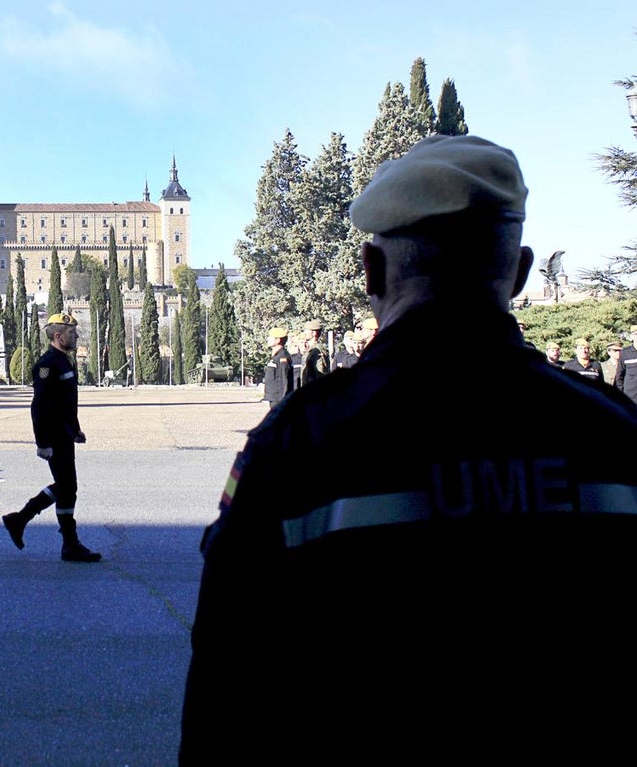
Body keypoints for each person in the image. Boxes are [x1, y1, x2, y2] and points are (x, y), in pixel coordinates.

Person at [179, 135, 637, 764]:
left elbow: (227, 697)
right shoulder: (616, 435)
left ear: (371, 270)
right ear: (522, 270)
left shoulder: (299, 446)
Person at [2, 312, 101, 562]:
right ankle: (26, 521)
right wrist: (42, 443)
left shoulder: (64, 362)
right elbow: (39, 407)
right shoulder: (47, 365)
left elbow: (67, 402)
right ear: (58, 336)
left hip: (64, 434)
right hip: (54, 436)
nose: (76, 336)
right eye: (71, 333)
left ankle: (58, 538)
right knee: (67, 487)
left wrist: (75, 429)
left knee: (68, 488)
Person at [261, 326, 292, 406]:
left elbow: (284, 379)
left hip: (279, 399)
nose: (268, 339)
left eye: (270, 337)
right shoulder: (276, 356)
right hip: (274, 397)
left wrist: (283, 400)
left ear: (278, 340)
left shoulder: (282, 357)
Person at [299, 319, 330, 385]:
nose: (304, 333)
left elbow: (320, 371)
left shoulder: (317, 350)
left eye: (307, 331)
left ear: (314, 333)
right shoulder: (310, 350)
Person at [615, 324, 637, 403]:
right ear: (632, 336)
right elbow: (619, 376)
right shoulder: (625, 353)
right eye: (635, 334)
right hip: (630, 398)